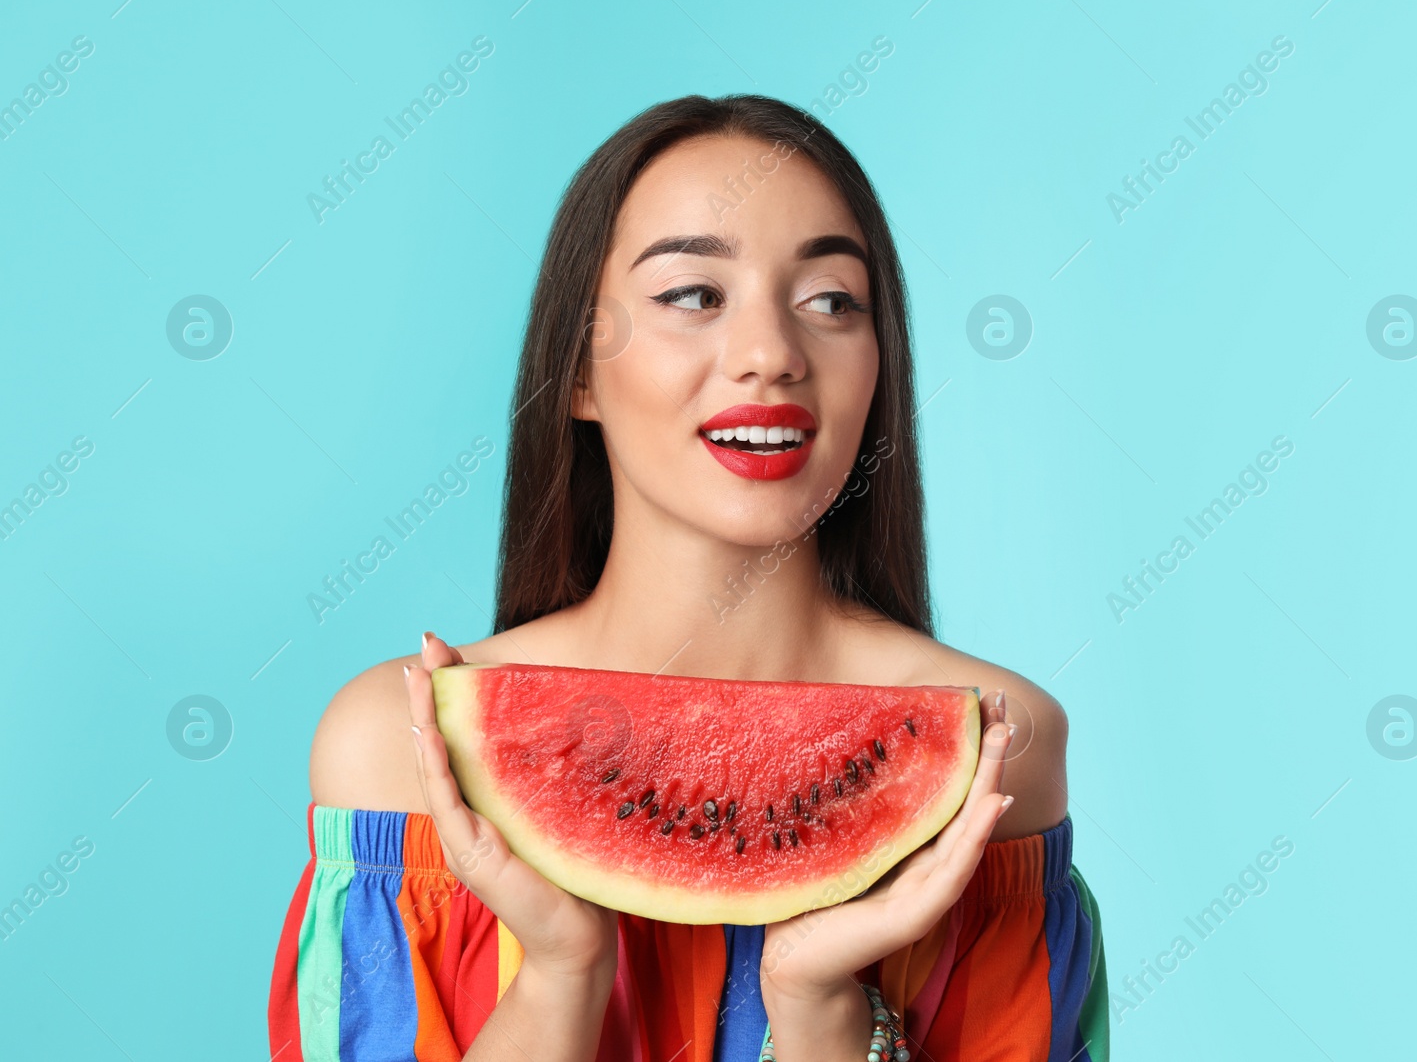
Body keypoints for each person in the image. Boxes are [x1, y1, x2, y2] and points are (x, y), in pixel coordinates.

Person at [267, 93, 1108, 1061]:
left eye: (831, 300)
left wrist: (819, 1006)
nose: (770, 356)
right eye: (693, 295)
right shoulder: (397, 750)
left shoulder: (991, 747)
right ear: (578, 369)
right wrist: (560, 975)